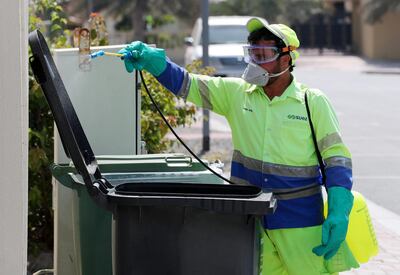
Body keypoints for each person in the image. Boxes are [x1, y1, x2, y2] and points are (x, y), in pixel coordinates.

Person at [119, 17, 359, 275]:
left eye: (264, 54)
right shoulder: (236, 94)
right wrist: (157, 64)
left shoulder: (312, 102)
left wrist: (339, 211)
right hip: (251, 220)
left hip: (301, 223)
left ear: (286, 58)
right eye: (252, 54)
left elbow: (336, 158)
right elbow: (188, 84)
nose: (256, 62)